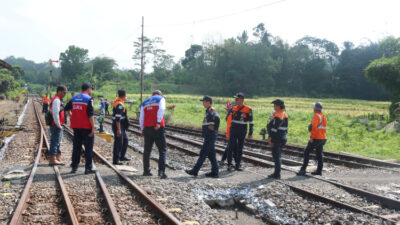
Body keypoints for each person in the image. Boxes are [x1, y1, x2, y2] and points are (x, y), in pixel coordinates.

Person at [64, 83, 96, 174]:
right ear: (88, 89)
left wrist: (72, 117)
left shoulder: (74, 98)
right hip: (86, 127)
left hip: (76, 126)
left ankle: (74, 167)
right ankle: (88, 168)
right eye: (91, 89)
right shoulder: (89, 99)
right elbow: (90, 115)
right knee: (88, 148)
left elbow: (66, 109)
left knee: (76, 147)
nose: (91, 91)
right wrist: (93, 127)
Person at [186, 96, 220, 178]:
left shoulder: (211, 111)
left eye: (204, 101)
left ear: (208, 102)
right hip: (209, 136)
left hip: (210, 136)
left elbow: (217, 118)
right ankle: (215, 172)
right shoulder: (208, 111)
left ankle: (195, 170)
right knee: (212, 155)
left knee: (203, 153)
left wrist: (215, 128)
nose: (203, 103)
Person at [139, 90, 168, 179]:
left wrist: (142, 129)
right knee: (162, 150)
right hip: (157, 128)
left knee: (147, 150)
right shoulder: (161, 99)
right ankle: (161, 172)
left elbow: (141, 117)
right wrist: (158, 122)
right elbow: (162, 109)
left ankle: (146, 171)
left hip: (147, 128)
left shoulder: (145, 102)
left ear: (152, 95)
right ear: (160, 94)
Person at [297, 102, 327, 176]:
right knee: (319, 154)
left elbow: (314, 128)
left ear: (316, 109)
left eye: (314, 107)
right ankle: (319, 171)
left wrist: (311, 137)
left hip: (316, 138)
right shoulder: (323, 116)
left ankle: (303, 169)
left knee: (306, 152)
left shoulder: (316, 116)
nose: (313, 108)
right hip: (322, 138)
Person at [226, 92, 253, 171]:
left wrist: (250, 132)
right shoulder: (233, 108)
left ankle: (238, 164)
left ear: (242, 99)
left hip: (242, 131)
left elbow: (251, 122)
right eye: (235, 99)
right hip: (233, 130)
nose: (236, 100)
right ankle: (229, 164)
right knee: (230, 147)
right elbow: (228, 118)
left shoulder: (248, 109)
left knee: (240, 148)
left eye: (237, 99)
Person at [267, 99, 288, 179]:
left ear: (279, 106)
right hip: (282, 137)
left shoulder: (279, 115)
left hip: (277, 138)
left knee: (277, 156)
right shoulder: (284, 114)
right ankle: (277, 173)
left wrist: (270, 138)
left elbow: (274, 129)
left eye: (275, 105)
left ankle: (277, 174)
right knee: (277, 155)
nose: (274, 107)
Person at [48, 85, 68, 165]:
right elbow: (55, 113)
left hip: (57, 124)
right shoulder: (56, 100)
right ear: (59, 91)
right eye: (64, 92)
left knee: (58, 141)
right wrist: (58, 124)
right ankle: (53, 159)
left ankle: (57, 157)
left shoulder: (58, 99)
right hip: (56, 125)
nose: (65, 94)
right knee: (55, 141)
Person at [112, 89, 130, 165]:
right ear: (124, 95)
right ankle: (116, 160)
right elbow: (118, 118)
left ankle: (122, 156)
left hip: (121, 125)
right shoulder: (119, 105)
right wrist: (118, 129)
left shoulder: (118, 101)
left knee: (125, 140)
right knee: (118, 142)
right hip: (118, 125)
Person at [219, 99, 237, 167]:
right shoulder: (234, 107)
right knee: (232, 146)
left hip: (234, 130)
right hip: (232, 130)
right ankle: (235, 162)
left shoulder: (236, 107)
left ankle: (223, 161)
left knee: (231, 146)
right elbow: (228, 119)